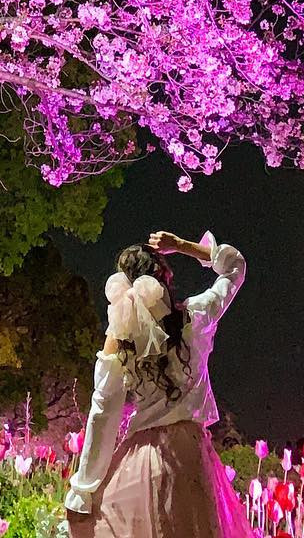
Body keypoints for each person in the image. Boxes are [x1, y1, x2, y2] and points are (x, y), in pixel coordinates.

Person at [65, 230, 249, 538]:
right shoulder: (197, 316)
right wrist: (182, 246)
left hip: (142, 461)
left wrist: (83, 489)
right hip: (190, 460)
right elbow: (235, 267)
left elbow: (103, 413)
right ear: (165, 280)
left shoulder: (122, 339)